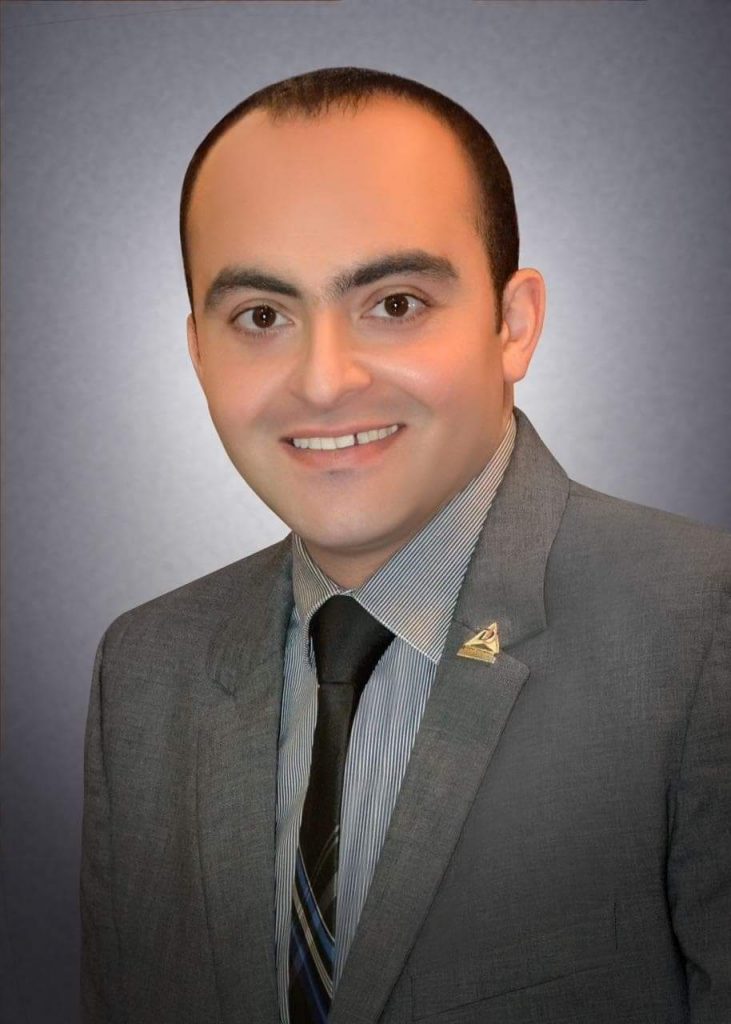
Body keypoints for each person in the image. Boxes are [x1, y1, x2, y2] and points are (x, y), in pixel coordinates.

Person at [80, 66, 730, 1024]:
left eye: (393, 304)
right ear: (199, 352)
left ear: (512, 325)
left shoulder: (703, 630)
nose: (324, 381)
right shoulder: (145, 668)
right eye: (261, 317)